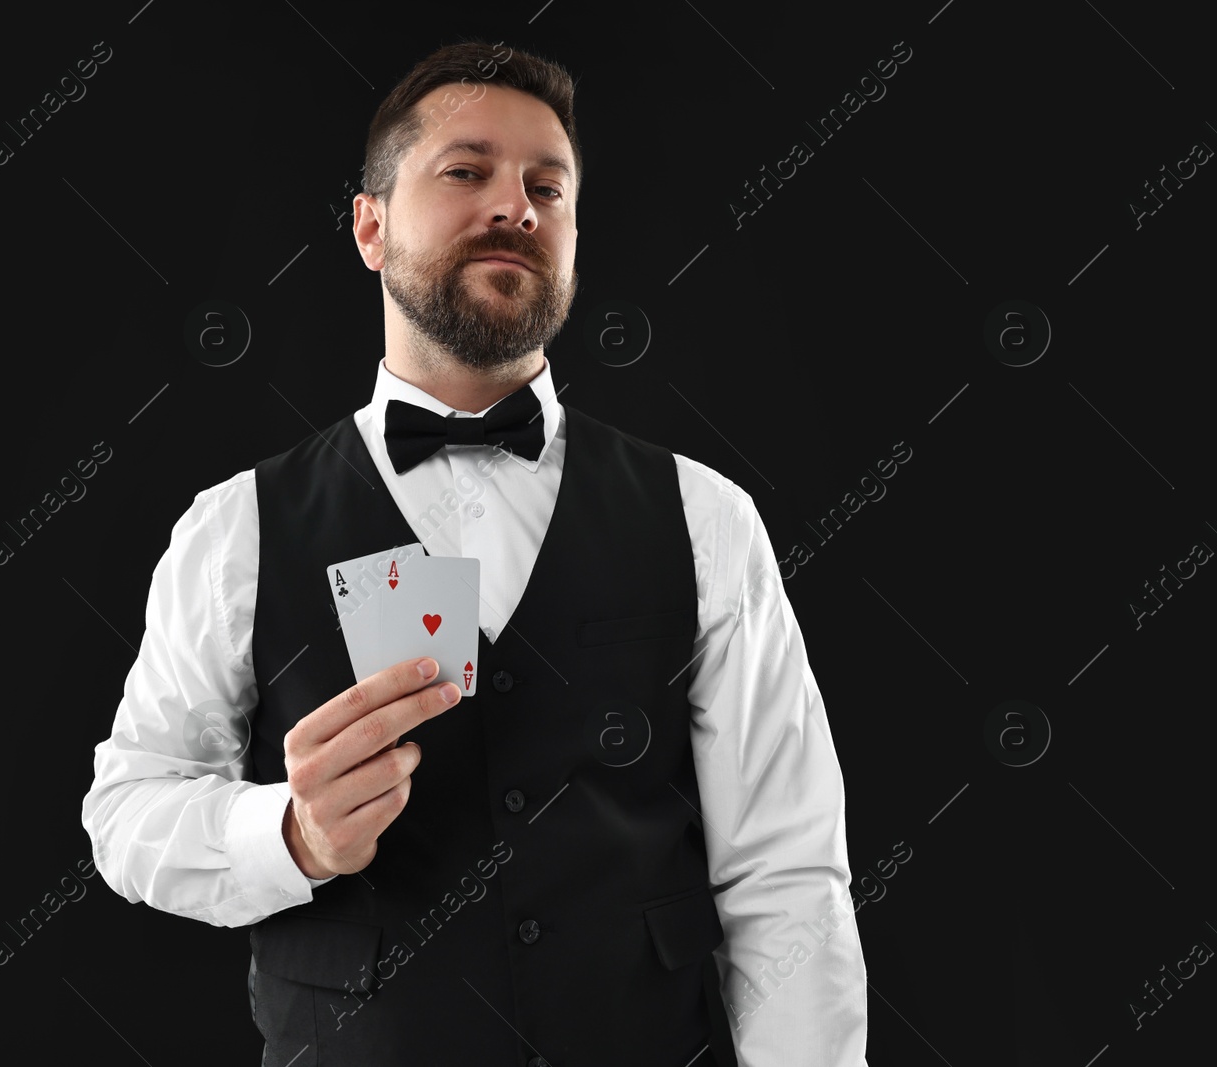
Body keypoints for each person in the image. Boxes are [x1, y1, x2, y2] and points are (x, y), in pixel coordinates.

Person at [81, 38, 868, 1066]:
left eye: (549, 184)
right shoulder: (235, 526)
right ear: (369, 226)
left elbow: (786, 868)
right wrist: (290, 835)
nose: (516, 206)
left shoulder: (704, 516)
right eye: (466, 171)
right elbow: (127, 808)